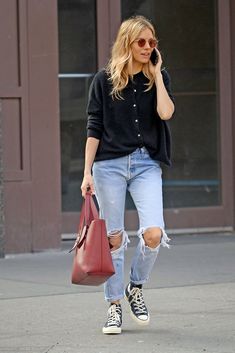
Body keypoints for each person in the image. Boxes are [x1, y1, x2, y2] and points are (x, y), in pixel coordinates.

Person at [81, 15, 175, 335]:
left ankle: (135, 286)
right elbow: (94, 129)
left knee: (153, 233)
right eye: (142, 42)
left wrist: (158, 76)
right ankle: (114, 306)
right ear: (127, 43)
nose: (148, 47)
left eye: (153, 43)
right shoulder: (103, 81)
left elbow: (166, 113)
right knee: (114, 237)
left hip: (146, 163)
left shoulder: (157, 76)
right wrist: (86, 173)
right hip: (108, 166)